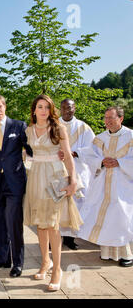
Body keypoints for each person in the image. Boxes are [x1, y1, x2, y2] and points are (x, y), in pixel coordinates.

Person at [23, 94, 83, 291]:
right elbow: (28, 154)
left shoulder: (58, 128)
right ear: (34, 110)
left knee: (53, 225)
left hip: (55, 178)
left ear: (51, 110)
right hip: (36, 178)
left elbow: (67, 156)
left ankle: (57, 269)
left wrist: (73, 179)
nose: (43, 110)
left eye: (47, 107)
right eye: (40, 106)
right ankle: (45, 262)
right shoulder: (29, 130)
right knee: (41, 224)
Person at [0, 95, 32, 278]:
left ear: (5, 106)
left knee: (13, 223)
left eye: (0, 106)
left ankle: (17, 263)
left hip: (15, 183)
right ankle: (2, 259)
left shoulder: (19, 126)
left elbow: (31, 148)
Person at [77, 106, 133, 267]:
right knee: (106, 217)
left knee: (121, 217)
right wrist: (101, 162)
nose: (107, 121)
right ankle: (107, 252)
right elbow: (90, 154)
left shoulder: (130, 136)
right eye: (105, 118)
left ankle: (126, 255)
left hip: (124, 184)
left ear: (121, 119)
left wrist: (119, 162)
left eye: (111, 118)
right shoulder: (100, 138)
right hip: (103, 183)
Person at [59, 99, 95, 250]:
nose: (67, 110)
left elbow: (93, 147)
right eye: (64, 108)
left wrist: (76, 153)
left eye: (70, 107)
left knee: (76, 204)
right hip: (58, 169)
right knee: (57, 203)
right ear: (60, 109)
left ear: (75, 108)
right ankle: (54, 237)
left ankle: (70, 238)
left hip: (78, 170)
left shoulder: (83, 127)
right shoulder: (53, 125)